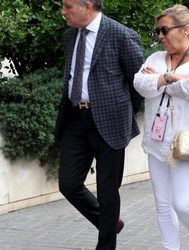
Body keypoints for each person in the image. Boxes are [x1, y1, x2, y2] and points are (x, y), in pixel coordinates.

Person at [54, 0, 143, 249]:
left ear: (88, 6)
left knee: (107, 192)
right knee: (68, 184)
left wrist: (122, 112)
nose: (63, 12)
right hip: (75, 119)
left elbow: (138, 82)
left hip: (110, 122)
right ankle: (110, 222)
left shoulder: (120, 34)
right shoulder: (70, 36)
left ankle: (106, 244)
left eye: (68, 6)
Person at [134, 4, 189, 250]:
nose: (160, 36)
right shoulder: (155, 58)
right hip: (157, 141)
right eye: (158, 30)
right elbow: (140, 83)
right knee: (162, 203)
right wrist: (171, 78)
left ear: (185, 30)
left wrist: (161, 79)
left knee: (182, 203)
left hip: (187, 143)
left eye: (165, 30)